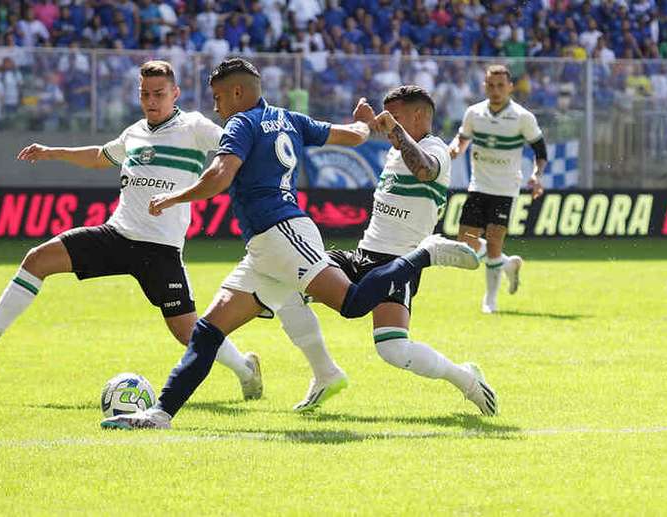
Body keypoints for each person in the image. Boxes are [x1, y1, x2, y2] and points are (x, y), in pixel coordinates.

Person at [100, 58, 480, 430]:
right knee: (208, 331)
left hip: (284, 233)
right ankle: (160, 415)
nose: (215, 106)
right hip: (264, 248)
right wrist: (364, 124)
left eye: (217, 97)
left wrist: (173, 198)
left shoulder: (241, 123)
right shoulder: (290, 118)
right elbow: (351, 136)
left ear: (237, 92)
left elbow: (218, 175)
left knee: (352, 304)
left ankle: (425, 254)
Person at [0, 60, 264, 402]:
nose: (151, 100)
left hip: (160, 249)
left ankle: (245, 368)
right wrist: (51, 152)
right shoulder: (133, 133)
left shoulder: (194, 126)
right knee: (38, 259)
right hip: (116, 235)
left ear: (175, 93)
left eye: (159, 93)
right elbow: (99, 156)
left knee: (186, 331)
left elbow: (236, 147)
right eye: (145, 93)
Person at [284, 85, 497, 416]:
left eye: (394, 117)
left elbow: (423, 169)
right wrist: (374, 126)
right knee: (289, 283)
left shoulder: (436, 149)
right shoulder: (395, 150)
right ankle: (325, 373)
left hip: (400, 263)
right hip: (362, 254)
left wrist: (391, 129)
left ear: (419, 116)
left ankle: (466, 379)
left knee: (393, 350)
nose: (387, 124)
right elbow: (398, 145)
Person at [448, 64, 547, 314]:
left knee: (494, 243)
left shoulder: (522, 117)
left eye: (501, 85)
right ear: (484, 86)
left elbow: (540, 151)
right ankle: (506, 265)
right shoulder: (474, 113)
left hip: (505, 189)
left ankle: (490, 301)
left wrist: (536, 176)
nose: (496, 90)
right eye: (491, 85)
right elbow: (461, 139)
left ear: (510, 87)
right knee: (465, 243)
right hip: (478, 186)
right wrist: (453, 150)